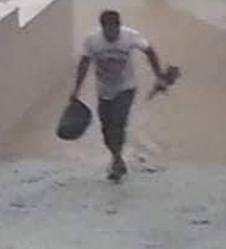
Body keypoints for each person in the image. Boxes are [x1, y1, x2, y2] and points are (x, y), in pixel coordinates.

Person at [70, 10, 168, 182]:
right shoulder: (93, 41)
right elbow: (84, 63)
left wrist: (159, 76)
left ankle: (116, 161)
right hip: (103, 91)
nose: (111, 34)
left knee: (118, 121)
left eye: (114, 30)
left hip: (126, 88)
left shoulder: (130, 36)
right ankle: (117, 156)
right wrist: (76, 89)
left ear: (118, 26)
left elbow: (149, 51)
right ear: (102, 28)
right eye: (107, 30)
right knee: (107, 129)